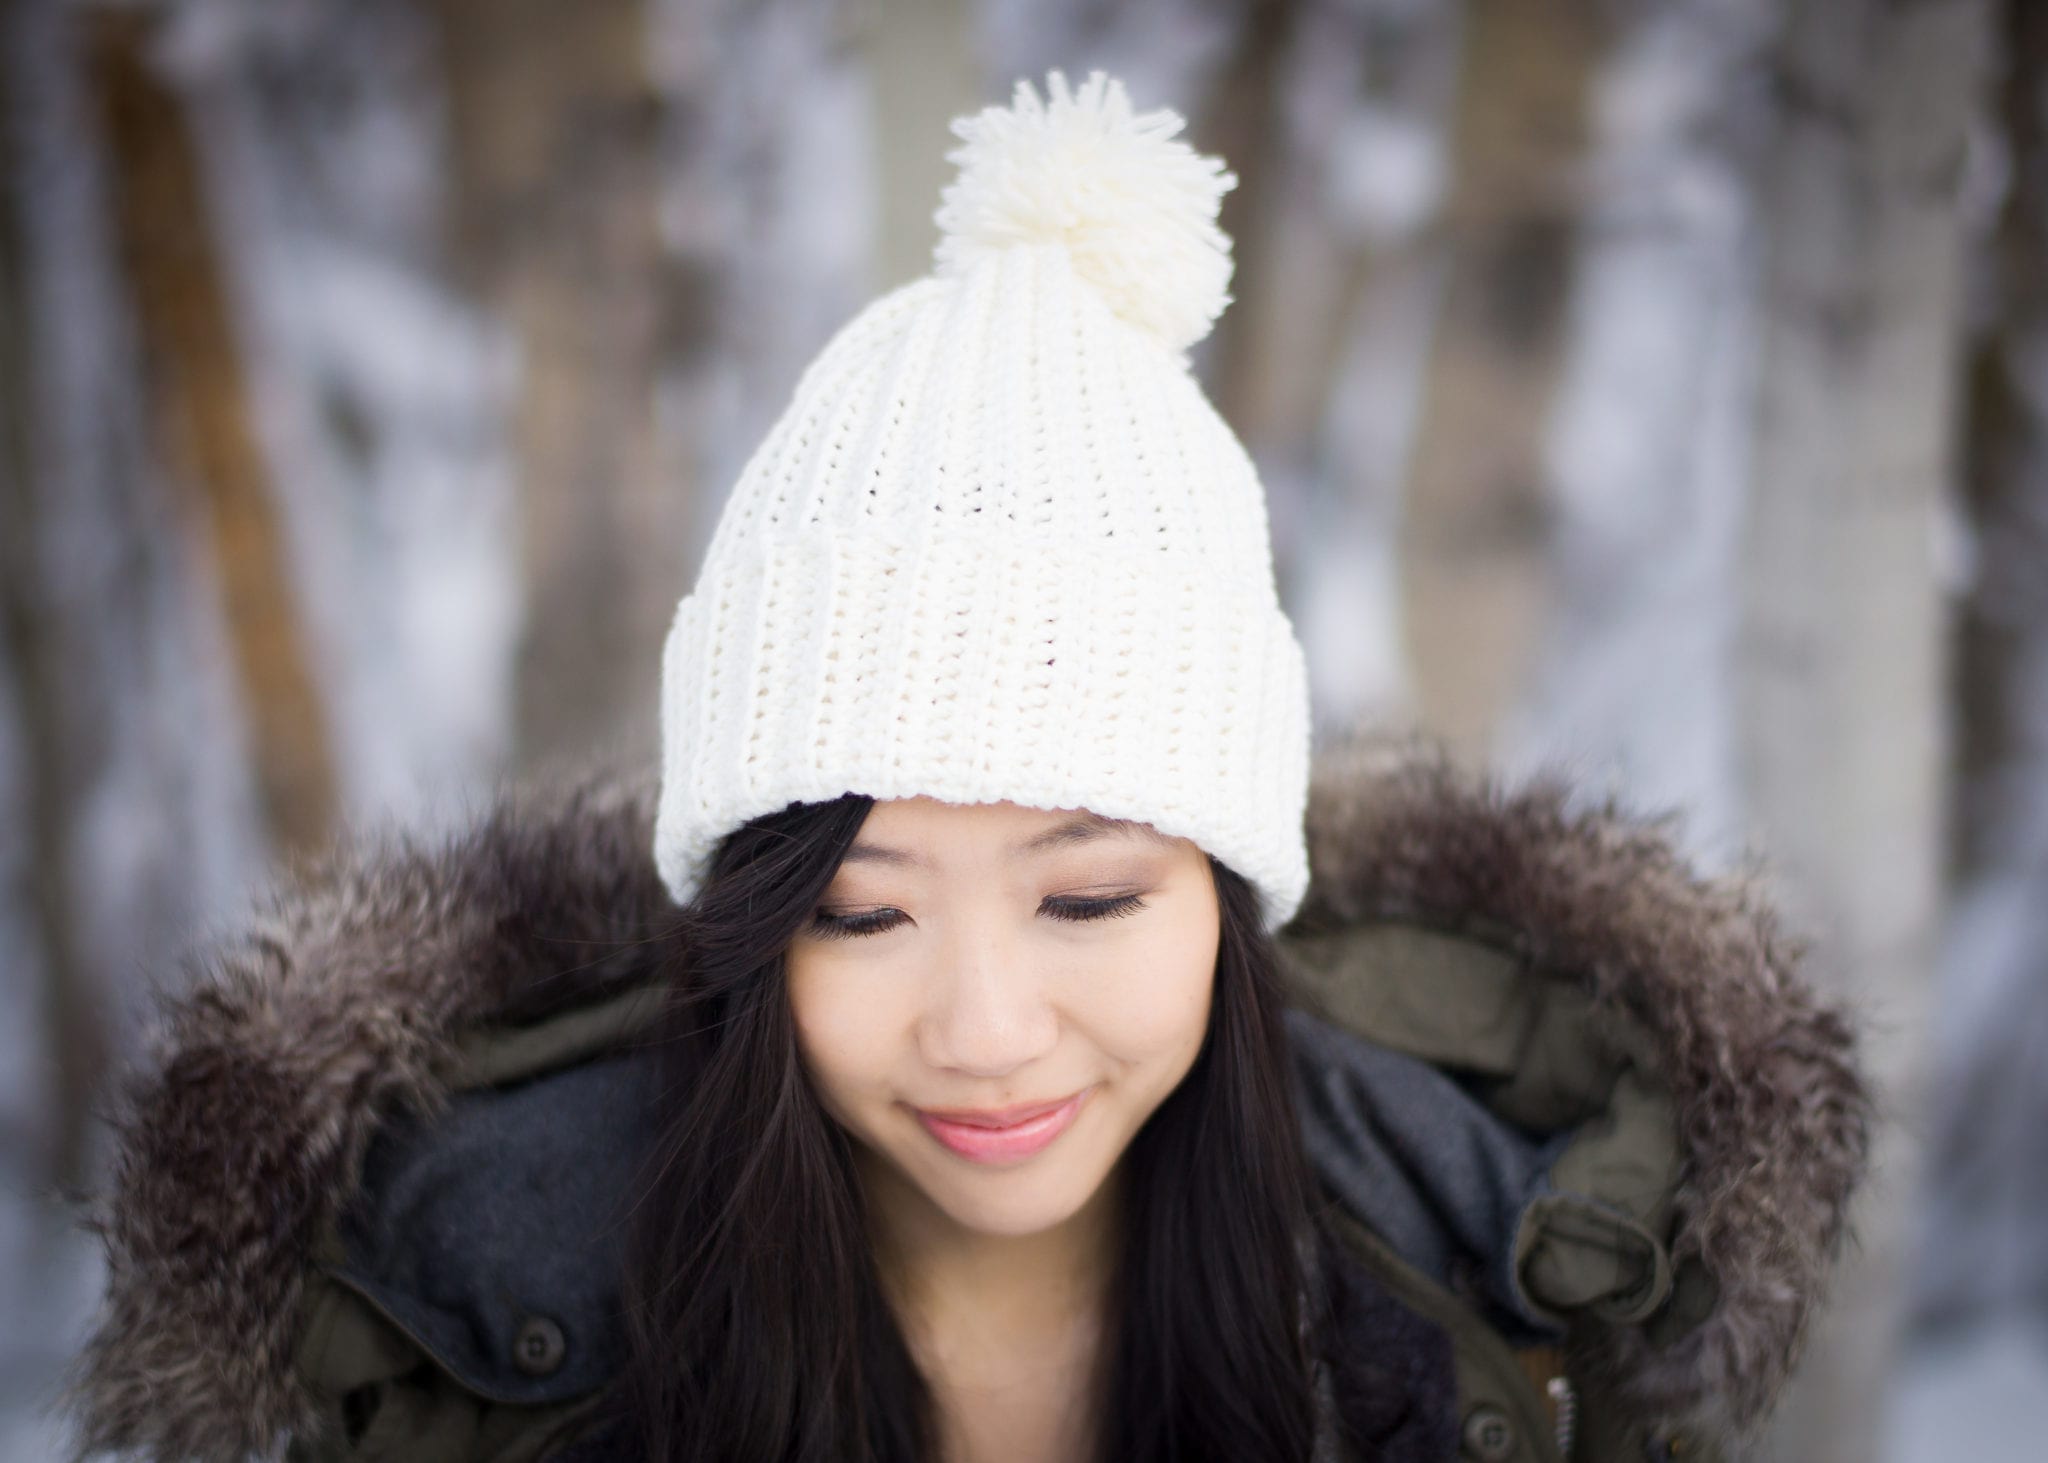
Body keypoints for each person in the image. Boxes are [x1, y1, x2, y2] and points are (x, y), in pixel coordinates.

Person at [59, 70, 1870, 1463]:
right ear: (746, 929)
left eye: (1088, 895)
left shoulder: (1532, 1279)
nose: (987, 1029)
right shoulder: (430, 1328)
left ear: (1230, 896)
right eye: (860, 914)